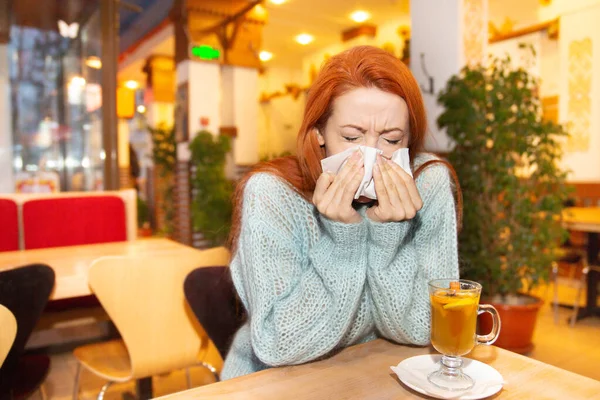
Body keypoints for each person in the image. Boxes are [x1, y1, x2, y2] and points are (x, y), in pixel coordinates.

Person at [221, 45, 461, 380]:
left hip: (370, 377)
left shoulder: (427, 184)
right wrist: (341, 244)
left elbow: (426, 329)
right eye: (351, 136)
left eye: (391, 140)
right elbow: (277, 345)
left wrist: (386, 237)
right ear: (319, 133)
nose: (371, 156)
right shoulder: (271, 193)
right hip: (269, 384)